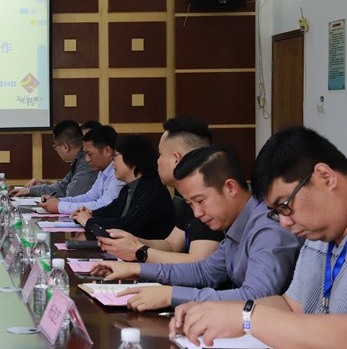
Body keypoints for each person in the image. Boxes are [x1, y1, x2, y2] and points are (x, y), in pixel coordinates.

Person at [171, 127, 347, 349]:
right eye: (278, 213)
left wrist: (247, 318)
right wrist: (216, 311)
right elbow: (292, 305)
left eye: (285, 206)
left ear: (325, 177)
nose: (285, 223)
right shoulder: (322, 232)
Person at [91, 145, 301, 311]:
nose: (197, 213)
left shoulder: (268, 227)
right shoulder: (237, 222)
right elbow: (205, 271)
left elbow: (256, 297)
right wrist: (136, 270)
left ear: (230, 188)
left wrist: (171, 295)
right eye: (190, 204)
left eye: (200, 201)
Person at [97, 116, 224, 263]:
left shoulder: (208, 199)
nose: (157, 161)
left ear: (176, 159)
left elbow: (198, 264)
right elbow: (171, 245)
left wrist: (139, 252)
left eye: (160, 154)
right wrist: (133, 241)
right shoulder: (189, 198)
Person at [71, 134, 176, 240]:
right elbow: (110, 211)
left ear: (133, 159)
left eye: (115, 157)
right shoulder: (128, 188)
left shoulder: (152, 191)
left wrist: (88, 221)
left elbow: (127, 225)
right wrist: (86, 213)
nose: (112, 163)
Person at [40, 125, 125, 214]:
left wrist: (59, 206)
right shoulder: (103, 171)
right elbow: (89, 197)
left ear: (107, 151)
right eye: (85, 154)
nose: (87, 159)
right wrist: (58, 201)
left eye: (90, 154)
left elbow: (104, 205)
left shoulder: (118, 174)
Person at [10, 120, 98, 199]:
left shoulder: (87, 161)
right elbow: (63, 186)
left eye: (55, 146)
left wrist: (53, 202)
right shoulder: (79, 159)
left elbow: (72, 194)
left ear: (65, 147)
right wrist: (30, 191)